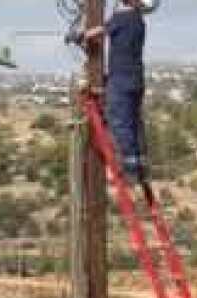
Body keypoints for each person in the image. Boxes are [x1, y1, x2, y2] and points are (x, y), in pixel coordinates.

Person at [67, 0, 160, 186]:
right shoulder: (139, 22)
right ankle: (140, 166)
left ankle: (131, 171)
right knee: (134, 123)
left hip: (121, 79)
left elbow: (98, 32)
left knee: (119, 122)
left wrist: (78, 35)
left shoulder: (122, 17)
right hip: (136, 78)